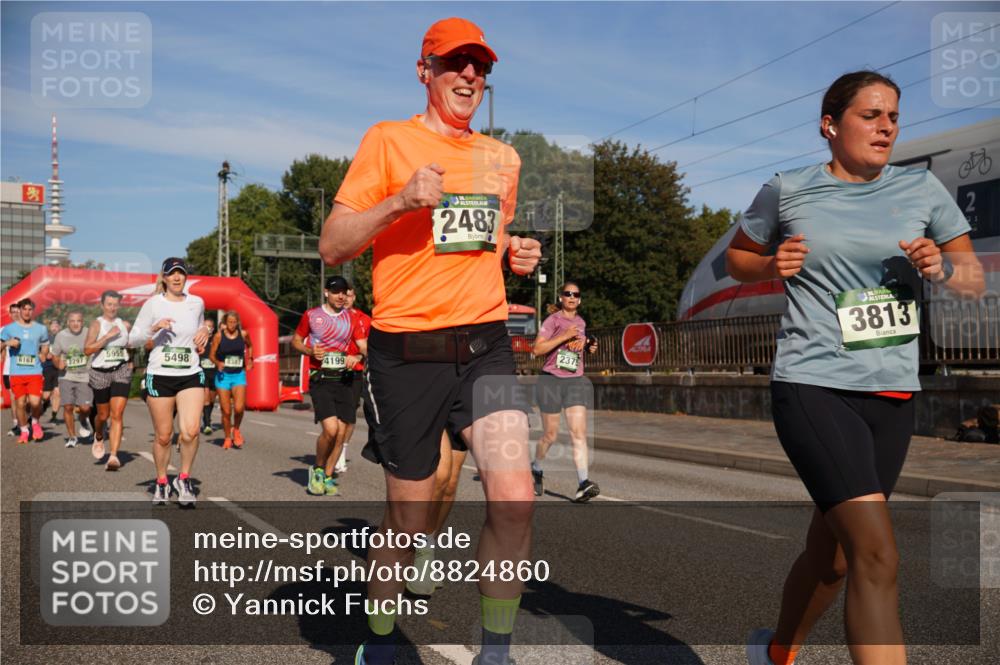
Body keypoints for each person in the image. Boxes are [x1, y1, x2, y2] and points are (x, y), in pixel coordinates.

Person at [726, 71, 984, 665]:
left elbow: (971, 276)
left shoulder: (921, 190)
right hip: (813, 383)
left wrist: (941, 265)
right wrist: (771, 266)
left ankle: (776, 652)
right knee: (877, 555)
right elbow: (739, 257)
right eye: (870, 115)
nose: (886, 126)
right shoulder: (787, 190)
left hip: (891, 391)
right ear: (830, 125)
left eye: (892, 115)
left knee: (836, 555)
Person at [319, 17, 541, 665]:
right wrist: (399, 202)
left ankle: (495, 650)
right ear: (426, 71)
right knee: (410, 517)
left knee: (516, 496)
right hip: (407, 349)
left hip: (484, 343)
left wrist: (516, 253)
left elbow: (484, 245)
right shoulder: (387, 141)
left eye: (480, 66)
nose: (470, 75)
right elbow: (334, 245)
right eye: (455, 63)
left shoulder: (504, 159)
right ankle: (379, 640)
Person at [128, 258, 210, 506]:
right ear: (163, 278)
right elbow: (133, 339)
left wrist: (206, 331)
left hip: (190, 373)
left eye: (181, 273)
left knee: (191, 430)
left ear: (186, 277)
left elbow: (200, 329)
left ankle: (183, 478)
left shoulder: (197, 303)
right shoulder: (153, 304)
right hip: (160, 375)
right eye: (172, 274)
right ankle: (162, 481)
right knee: (164, 436)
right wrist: (154, 328)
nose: (177, 278)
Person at [292, 276, 366, 496]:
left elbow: (363, 346)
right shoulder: (312, 315)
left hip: (343, 379)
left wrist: (358, 356)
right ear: (326, 293)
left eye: (344, 292)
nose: (340, 296)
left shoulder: (351, 318)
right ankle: (317, 469)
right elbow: (297, 340)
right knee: (331, 429)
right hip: (321, 378)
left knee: (341, 433)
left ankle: (328, 474)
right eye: (336, 292)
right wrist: (309, 351)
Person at [531, 282, 600, 502]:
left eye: (575, 294)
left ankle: (583, 483)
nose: (571, 297)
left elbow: (577, 346)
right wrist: (563, 336)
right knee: (550, 435)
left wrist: (589, 345)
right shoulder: (553, 321)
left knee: (578, 434)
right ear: (561, 297)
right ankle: (536, 467)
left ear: (579, 300)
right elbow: (537, 349)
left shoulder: (581, 322)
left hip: (574, 381)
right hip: (551, 381)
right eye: (567, 293)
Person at [85, 290, 134, 469]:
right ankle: (99, 435)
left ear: (119, 305)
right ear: (102, 305)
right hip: (100, 373)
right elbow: (87, 350)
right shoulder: (97, 325)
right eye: (109, 304)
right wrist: (106, 337)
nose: (112, 308)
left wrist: (129, 358)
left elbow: (134, 343)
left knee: (117, 414)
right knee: (103, 415)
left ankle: (113, 456)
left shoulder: (125, 325)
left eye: (115, 304)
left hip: (120, 371)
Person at [0, 299, 49, 443]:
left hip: (35, 371)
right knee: (20, 403)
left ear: (33, 311)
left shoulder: (41, 328)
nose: (27, 312)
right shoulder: (9, 329)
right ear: (19, 310)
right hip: (16, 372)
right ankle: (24, 430)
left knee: (35, 402)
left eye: (30, 309)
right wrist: (8, 343)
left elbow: (45, 345)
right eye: (24, 309)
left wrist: (44, 354)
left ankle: (34, 422)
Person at [336, 286, 372, 473]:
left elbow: (371, 347)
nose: (346, 299)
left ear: (354, 297)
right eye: (343, 295)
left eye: (349, 295)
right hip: (332, 371)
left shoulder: (365, 320)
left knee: (349, 415)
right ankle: (332, 448)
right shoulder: (329, 317)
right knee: (333, 416)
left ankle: (341, 451)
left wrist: (358, 357)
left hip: (355, 372)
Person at [209, 310, 253, 449]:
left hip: (238, 374)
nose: (232, 325)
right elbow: (211, 355)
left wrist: (250, 359)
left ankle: (237, 429)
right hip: (223, 377)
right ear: (225, 323)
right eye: (229, 322)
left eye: (234, 322)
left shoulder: (244, 334)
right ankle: (228, 437)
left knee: (239, 408)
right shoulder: (218, 336)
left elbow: (250, 346)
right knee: (226, 411)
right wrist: (218, 363)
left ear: (238, 323)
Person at [50, 311, 94, 448]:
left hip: (85, 375)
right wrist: (58, 364)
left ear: (83, 322)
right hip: (66, 375)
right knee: (68, 406)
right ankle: (72, 437)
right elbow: (55, 356)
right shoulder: (61, 335)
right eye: (73, 321)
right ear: (68, 322)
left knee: (85, 408)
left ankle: (83, 419)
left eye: (79, 321)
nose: (76, 324)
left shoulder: (89, 333)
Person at [4, 302, 21, 437]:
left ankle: (26, 422)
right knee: (14, 397)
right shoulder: (4, 329)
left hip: (28, 370)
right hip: (9, 370)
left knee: (28, 400)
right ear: (9, 314)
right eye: (13, 312)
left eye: (17, 311)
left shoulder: (29, 328)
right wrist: (6, 343)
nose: (16, 314)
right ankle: (17, 425)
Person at [42, 319, 62, 423]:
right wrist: (45, 355)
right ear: (50, 328)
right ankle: (44, 405)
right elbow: (39, 353)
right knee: (46, 395)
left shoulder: (64, 338)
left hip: (59, 368)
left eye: (56, 326)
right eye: (53, 326)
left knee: (57, 393)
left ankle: (54, 416)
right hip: (47, 368)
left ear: (59, 327)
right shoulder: (45, 339)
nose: (54, 328)